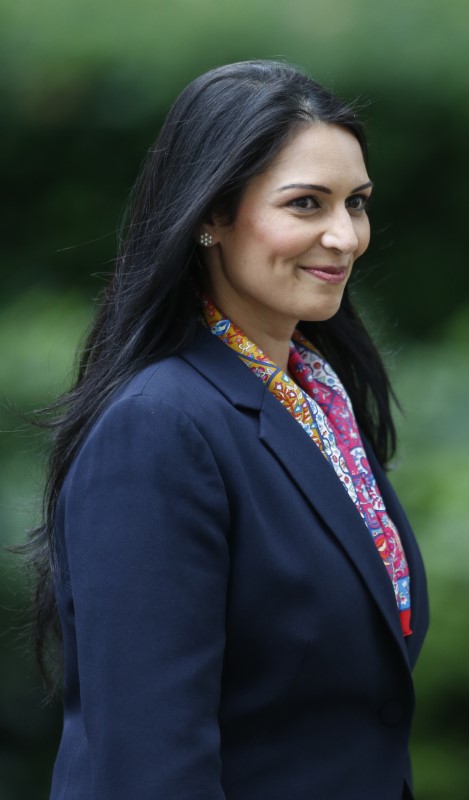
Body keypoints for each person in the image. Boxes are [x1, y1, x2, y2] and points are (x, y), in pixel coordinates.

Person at [34, 60, 428, 800]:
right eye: (306, 204)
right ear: (210, 216)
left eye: (357, 203)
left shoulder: (316, 406)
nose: (343, 237)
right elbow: (148, 764)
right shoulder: (158, 429)